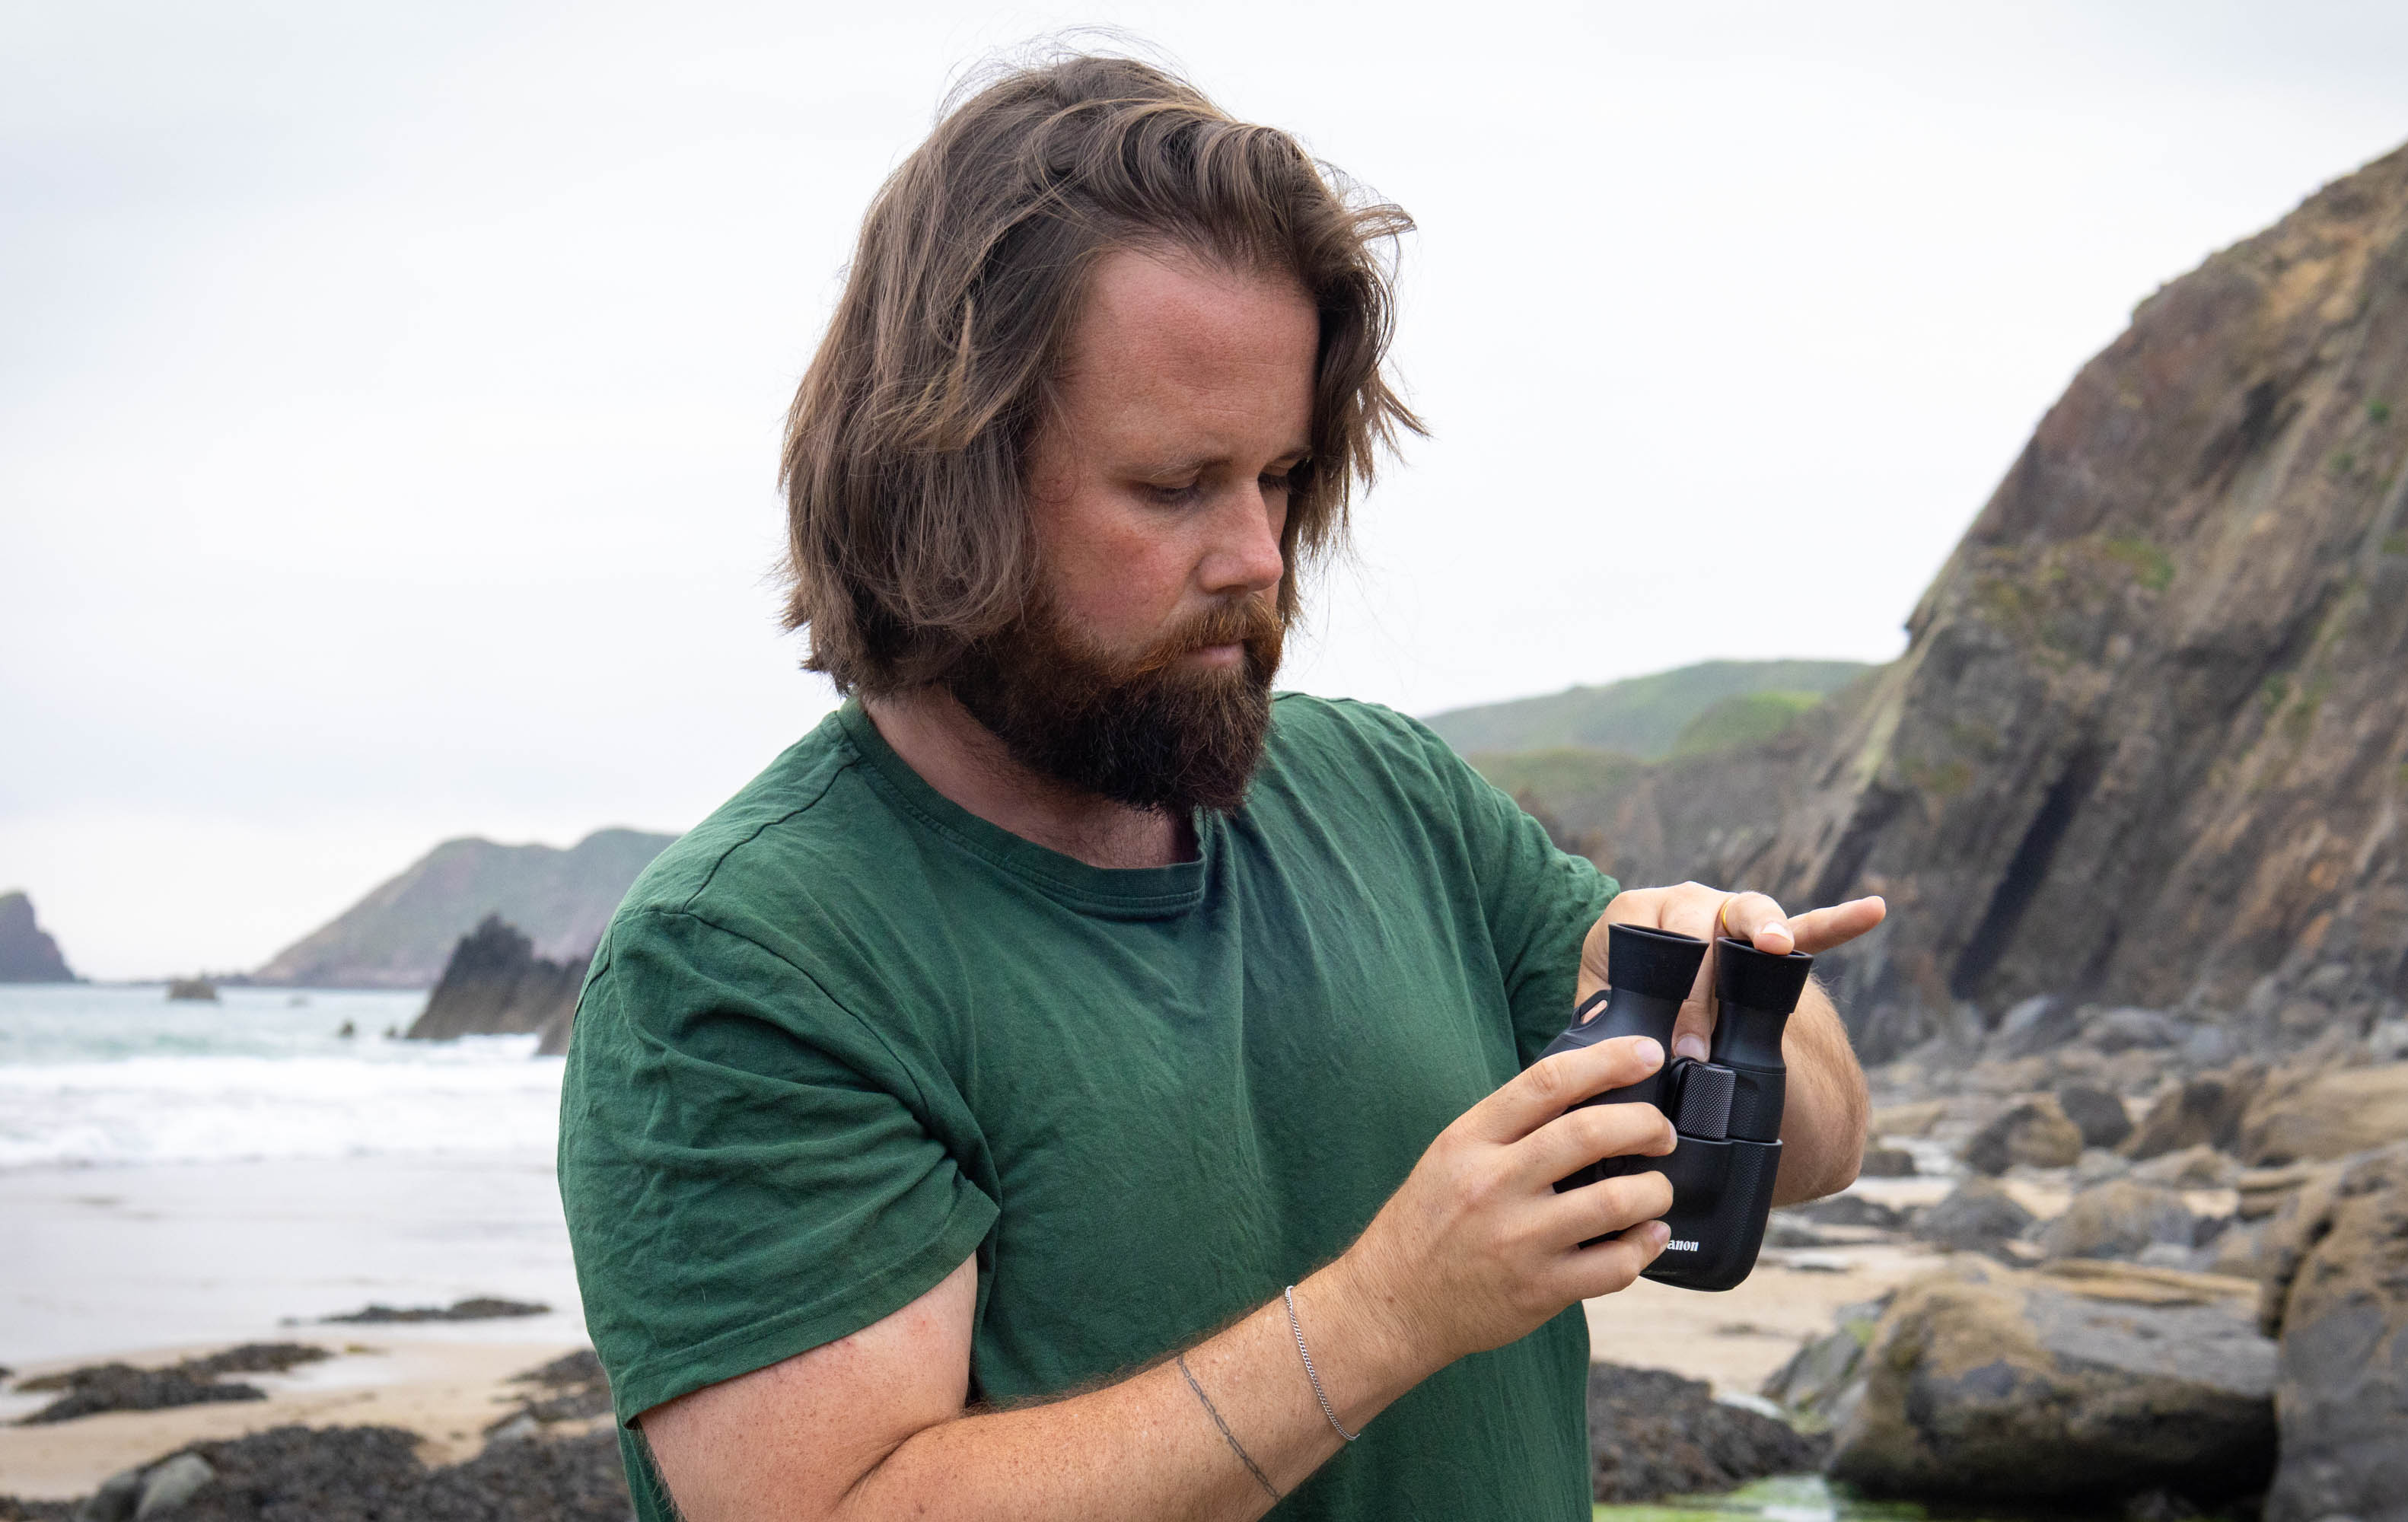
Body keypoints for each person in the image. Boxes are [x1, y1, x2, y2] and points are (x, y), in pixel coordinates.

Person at [557, 53, 1884, 1522]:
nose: (1259, 556)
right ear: (950, 484)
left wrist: (1746, 1010)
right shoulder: (750, 959)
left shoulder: (1388, 797)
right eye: (1176, 486)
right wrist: (1387, 1314)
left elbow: (1830, 1143)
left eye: (1280, 477)